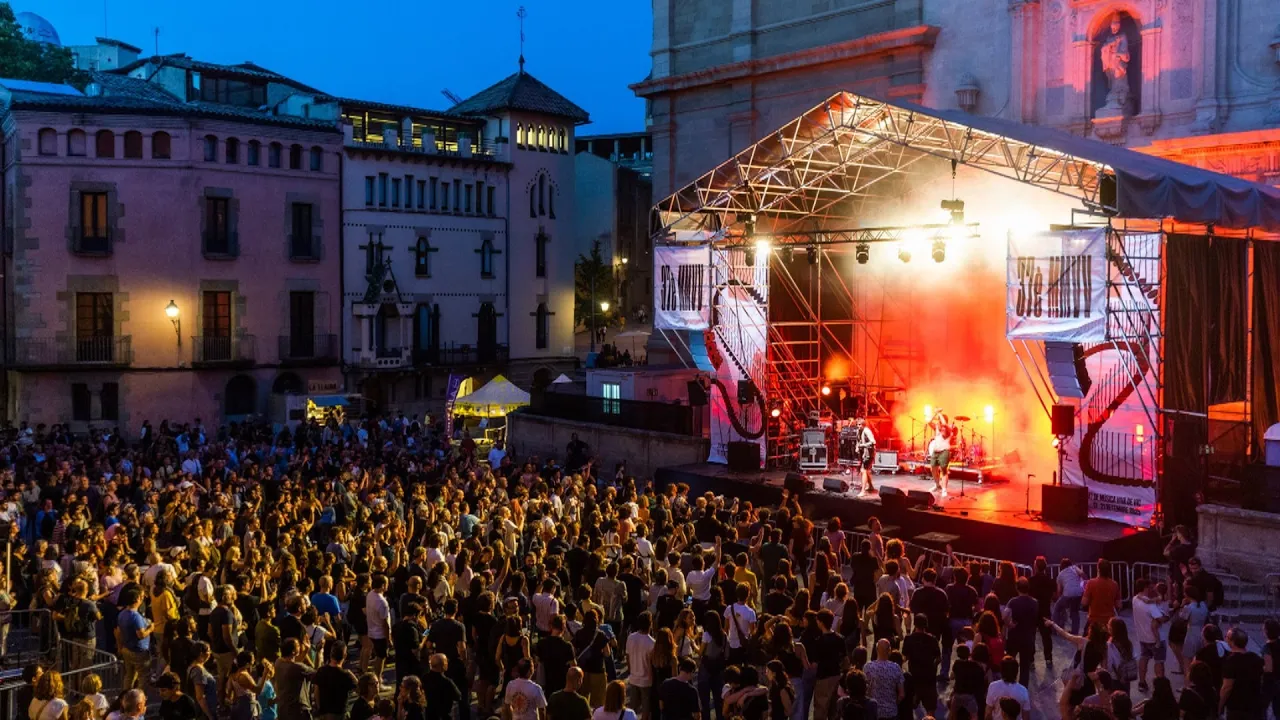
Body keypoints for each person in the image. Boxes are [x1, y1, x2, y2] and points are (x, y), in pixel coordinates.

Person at [1129, 578, 1167, 693]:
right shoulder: (1151, 606)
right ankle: (1160, 686)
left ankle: (1142, 682)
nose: (1151, 589)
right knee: (1159, 661)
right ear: (1145, 588)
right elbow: (1160, 618)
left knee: (1144, 658)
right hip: (1156, 638)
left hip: (1142, 637)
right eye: (1150, 587)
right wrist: (1167, 617)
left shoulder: (1135, 599)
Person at [1220, 627, 1264, 720]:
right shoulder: (1255, 658)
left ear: (1232, 642)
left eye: (1227, 637)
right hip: (1255, 706)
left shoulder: (1231, 661)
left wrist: (1220, 705)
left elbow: (1227, 687)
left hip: (1237, 708)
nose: (1225, 639)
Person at [1006, 578, 1039, 687]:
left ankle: (1008, 684)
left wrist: (1009, 624)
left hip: (1014, 636)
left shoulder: (1012, 601)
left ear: (1017, 588)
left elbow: (1004, 616)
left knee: (1009, 661)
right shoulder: (1034, 602)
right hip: (1028, 637)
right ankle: (1023, 689)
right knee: (1025, 666)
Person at [315, 641, 358, 720]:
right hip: (339, 714)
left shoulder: (321, 671)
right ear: (344, 655)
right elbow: (360, 690)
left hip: (324, 713)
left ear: (331, 655)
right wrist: (352, 676)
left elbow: (316, 690)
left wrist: (319, 708)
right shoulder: (346, 675)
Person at [863, 639, 903, 720]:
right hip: (891, 712)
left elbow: (865, 690)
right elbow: (901, 694)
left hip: (873, 712)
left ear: (876, 650)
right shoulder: (895, 667)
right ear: (889, 651)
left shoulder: (868, 667)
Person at [1082, 559, 1122, 630]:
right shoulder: (1114, 584)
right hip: (1109, 622)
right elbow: (1119, 605)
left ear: (1098, 569)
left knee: (1086, 640)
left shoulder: (1091, 583)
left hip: (1094, 621)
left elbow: (1084, 603)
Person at [1054, 558, 1086, 635]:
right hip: (1078, 593)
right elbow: (1082, 573)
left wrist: (1060, 600)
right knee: (1075, 612)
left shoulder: (1060, 574)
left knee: (1057, 608)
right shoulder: (1074, 567)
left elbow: (1059, 591)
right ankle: (1075, 632)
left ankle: (1055, 629)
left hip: (1067, 594)